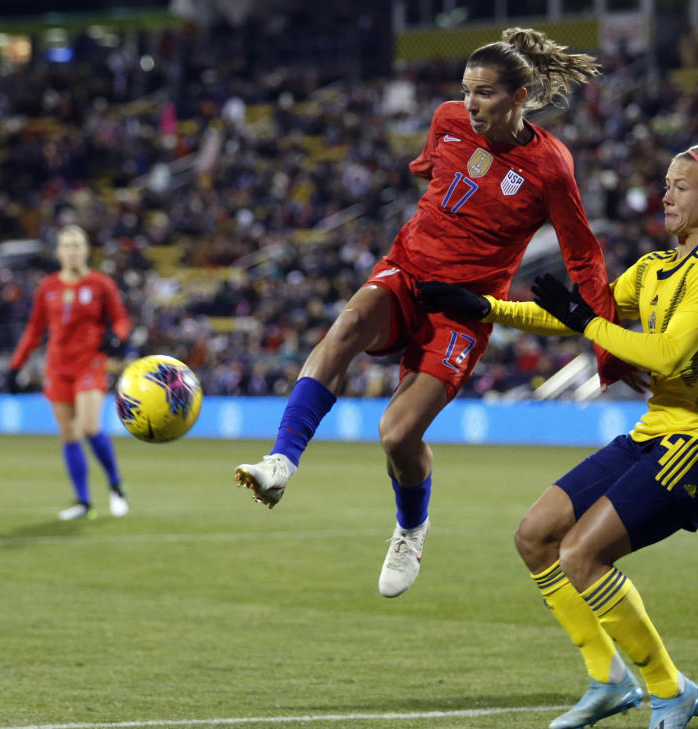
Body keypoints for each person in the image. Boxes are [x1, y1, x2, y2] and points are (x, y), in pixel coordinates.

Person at [419, 142, 698, 729]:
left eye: (681, 186)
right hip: (655, 434)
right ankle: (607, 679)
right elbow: (579, 314)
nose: (666, 195)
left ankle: (668, 689)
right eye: (665, 184)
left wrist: (585, 320)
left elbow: (667, 356)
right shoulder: (656, 267)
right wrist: (486, 307)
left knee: (580, 553)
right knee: (536, 534)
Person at [234, 27, 640, 598]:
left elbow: (585, 259)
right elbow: (436, 176)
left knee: (397, 436)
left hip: (462, 310)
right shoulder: (448, 120)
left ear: (520, 96)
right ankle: (281, 461)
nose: (471, 104)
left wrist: (610, 351)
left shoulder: (550, 167)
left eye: (487, 93)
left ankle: (410, 527)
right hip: (406, 268)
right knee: (347, 324)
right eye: (468, 90)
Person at [8, 225, 131, 521]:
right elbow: (35, 329)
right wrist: (16, 364)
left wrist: (116, 337)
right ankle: (83, 501)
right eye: (67, 245)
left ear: (86, 251)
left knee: (89, 426)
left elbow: (121, 320)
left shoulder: (101, 284)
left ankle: (115, 486)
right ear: (60, 252)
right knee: (69, 434)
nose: (73, 251)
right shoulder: (48, 287)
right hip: (58, 366)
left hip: (90, 362)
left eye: (78, 245)